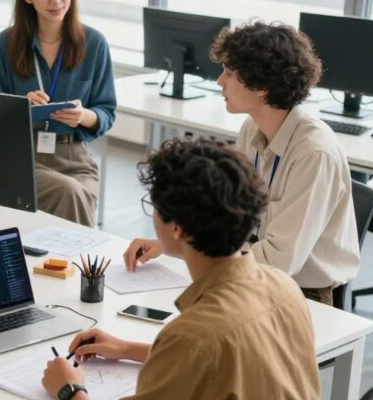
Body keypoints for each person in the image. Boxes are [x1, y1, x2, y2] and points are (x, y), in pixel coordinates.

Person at [42, 137, 320, 400]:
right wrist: (128, 348)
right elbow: (224, 367)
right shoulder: (283, 287)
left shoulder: (195, 337)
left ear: (177, 228)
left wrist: (69, 390)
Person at [124, 21, 359, 305]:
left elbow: (280, 260)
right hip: (249, 272)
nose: (219, 81)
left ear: (260, 86)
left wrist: (197, 258)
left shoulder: (313, 153)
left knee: (188, 320)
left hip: (299, 293)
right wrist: (170, 245)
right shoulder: (252, 128)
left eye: (229, 73)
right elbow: (231, 219)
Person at [0, 0, 116, 227]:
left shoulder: (94, 44)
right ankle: (83, 264)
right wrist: (20, 106)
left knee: (73, 189)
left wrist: (83, 116)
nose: (56, 1)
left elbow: (106, 112)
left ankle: (70, 262)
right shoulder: (5, 44)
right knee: (68, 192)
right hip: (22, 154)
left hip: (75, 157)